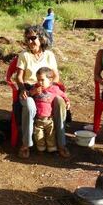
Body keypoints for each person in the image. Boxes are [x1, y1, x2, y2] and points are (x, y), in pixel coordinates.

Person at [16, 25, 70, 158]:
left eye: (33, 38)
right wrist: (23, 89)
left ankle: (61, 143)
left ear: (41, 38)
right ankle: (26, 144)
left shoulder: (49, 55)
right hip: (29, 89)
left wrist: (49, 88)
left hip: (48, 89)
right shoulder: (24, 55)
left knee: (59, 102)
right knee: (29, 105)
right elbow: (19, 77)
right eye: (27, 39)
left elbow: (56, 76)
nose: (30, 42)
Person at [31, 67, 70, 154]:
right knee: (38, 135)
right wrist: (33, 92)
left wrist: (67, 101)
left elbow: (63, 95)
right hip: (38, 119)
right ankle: (41, 149)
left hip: (49, 119)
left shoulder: (54, 89)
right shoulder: (36, 87)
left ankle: (51, 149)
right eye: (38, 80)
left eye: (42, 80)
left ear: (50, 80)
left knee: (50, 135)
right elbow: (30, 94)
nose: (39, 82)